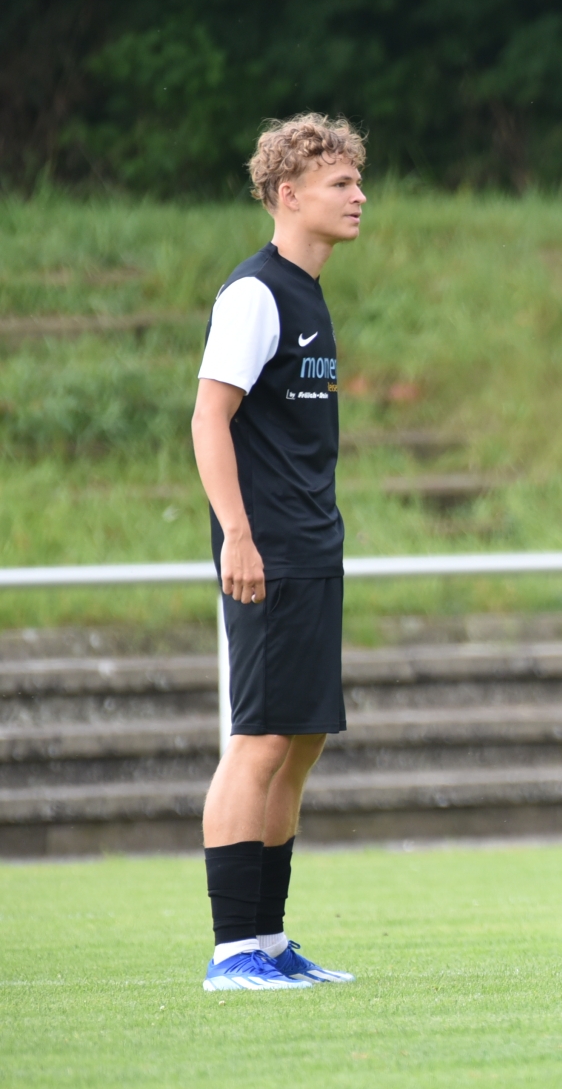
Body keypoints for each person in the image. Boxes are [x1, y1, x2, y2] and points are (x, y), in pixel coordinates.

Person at [190, 113, 366, 992]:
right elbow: (208, 417)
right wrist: (238, 533)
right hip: (266, 552)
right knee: (257, 741)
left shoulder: (307, 292)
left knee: (299, 743)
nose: (360, 195)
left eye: (358, 181)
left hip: (311, 545)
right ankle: (232, 952)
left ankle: (268, 939)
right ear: (287, 195)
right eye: (341, 183)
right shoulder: (255, 294)